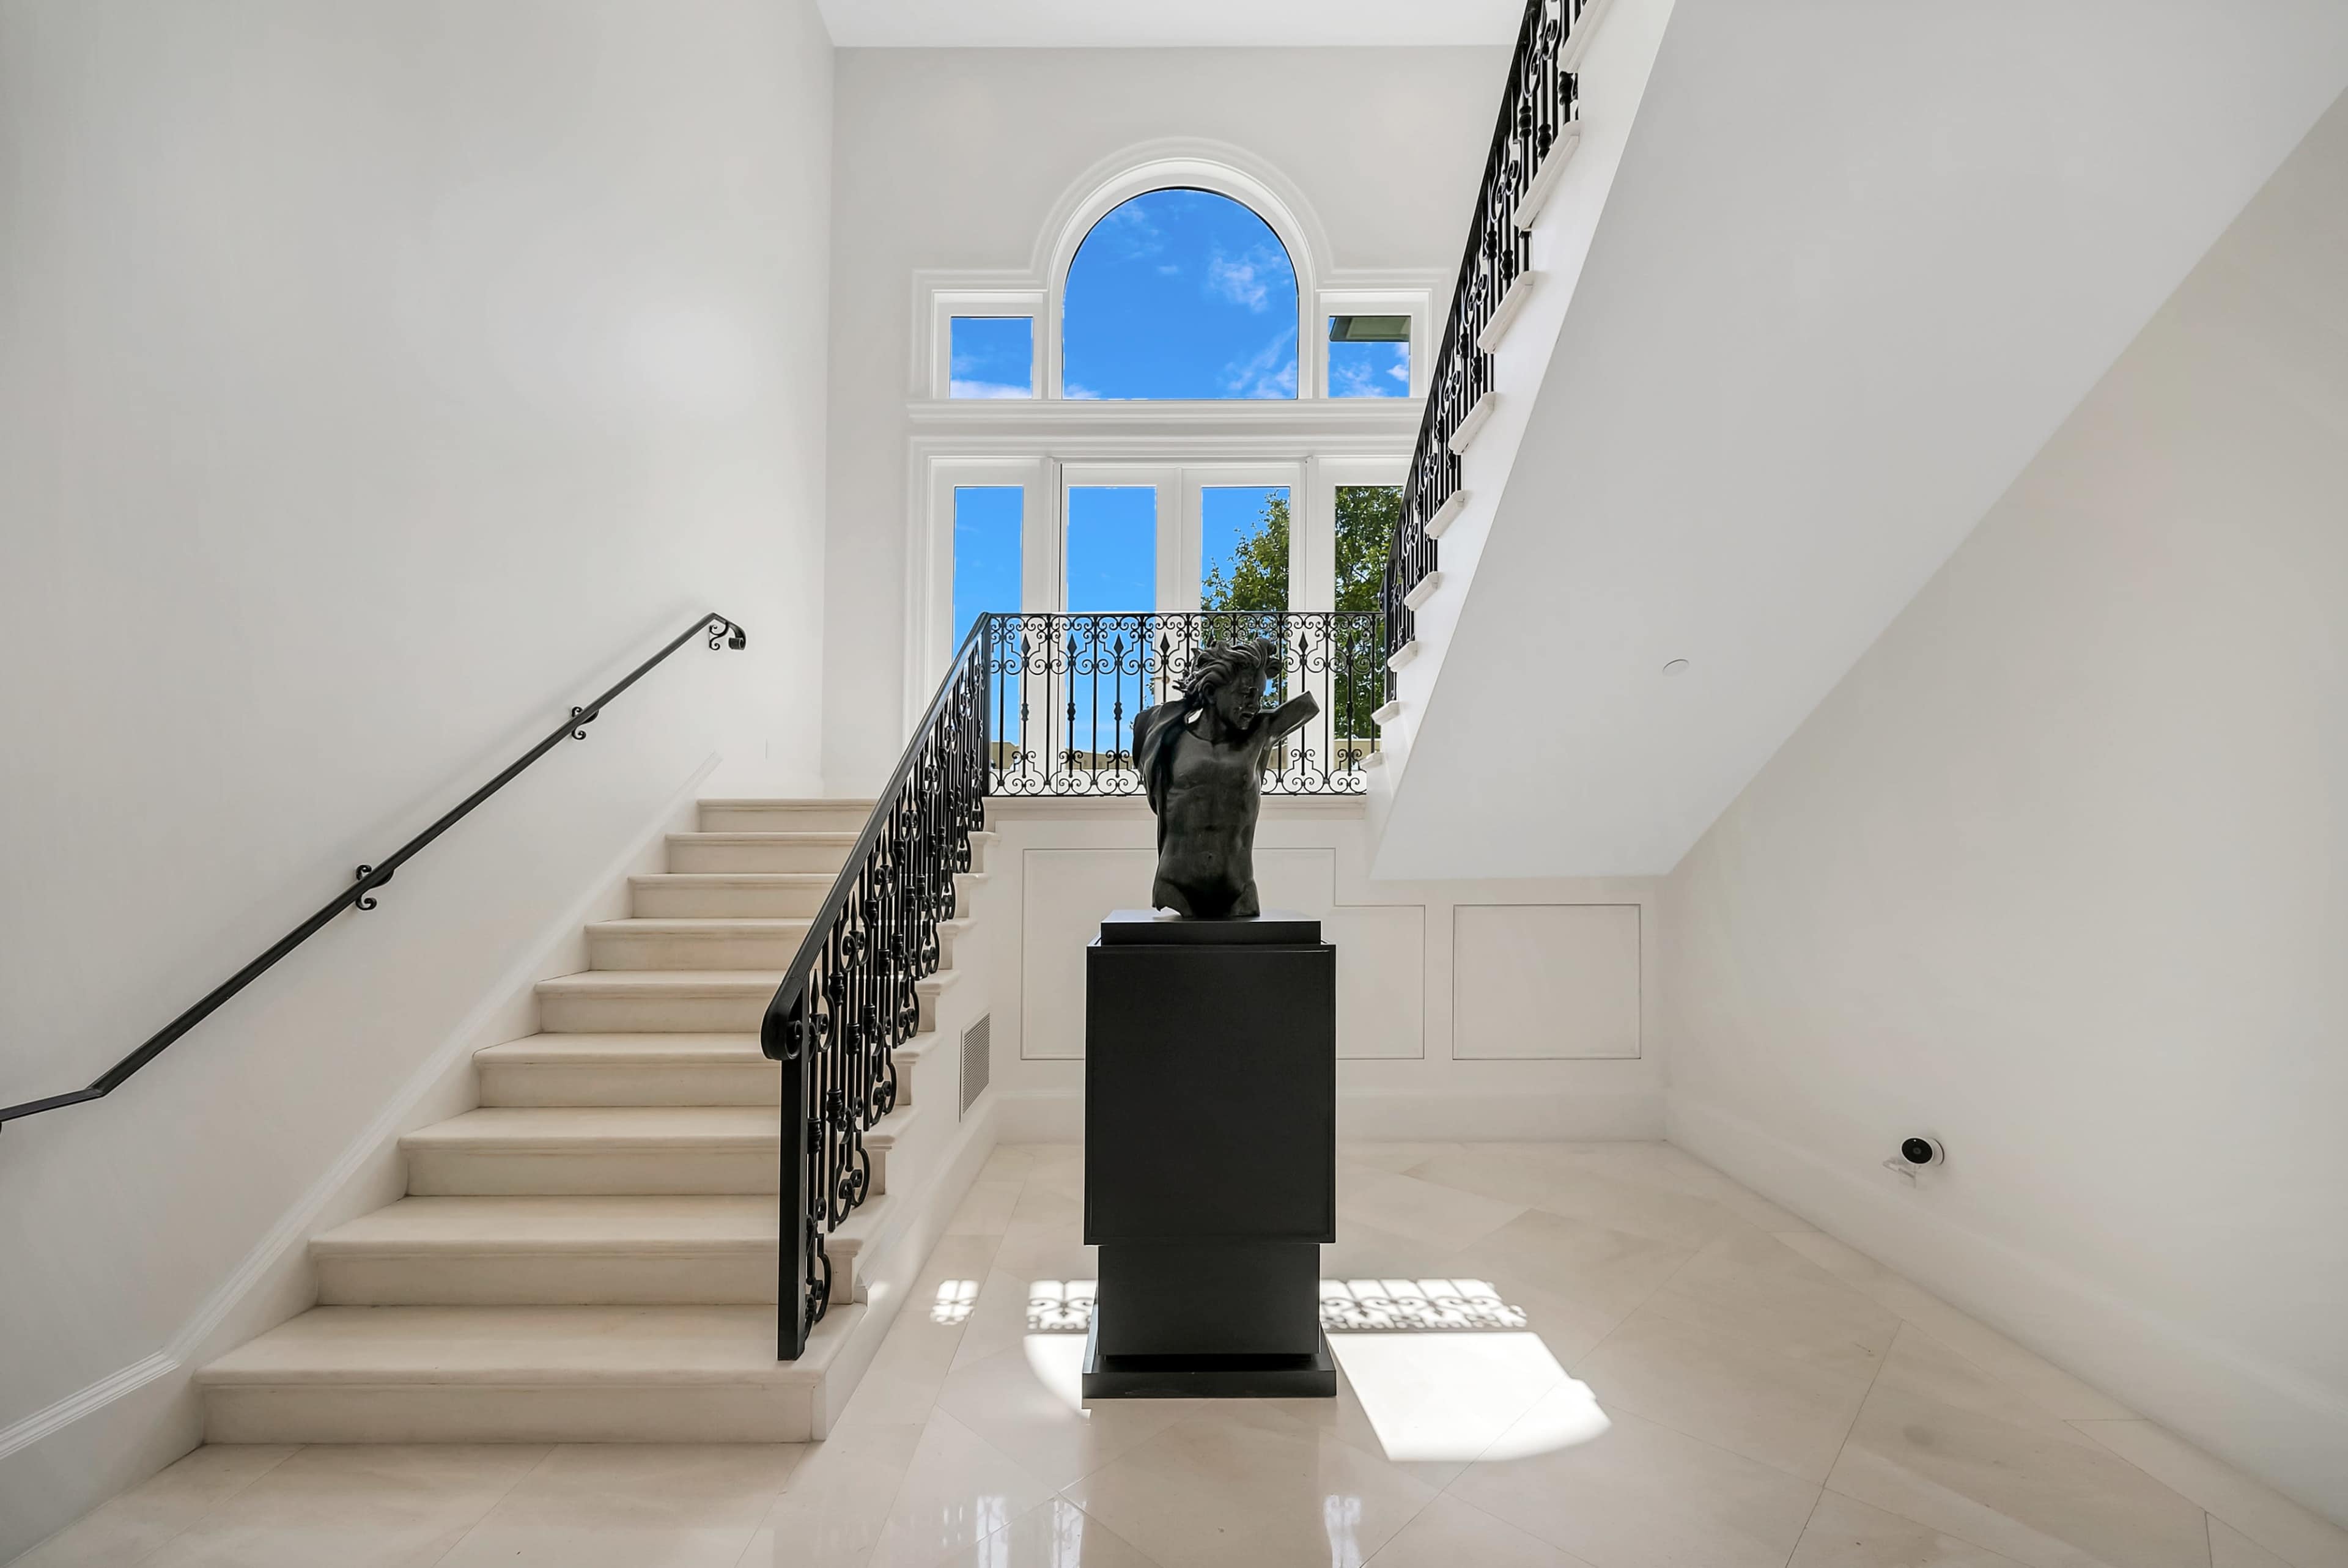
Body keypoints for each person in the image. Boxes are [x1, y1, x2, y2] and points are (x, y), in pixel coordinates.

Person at [1131, 637, 1320, 918]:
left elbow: (1310, 706)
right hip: (1174, 885)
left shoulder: (1259, 735)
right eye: (1246, 694)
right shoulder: (1169, 737)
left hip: (1239, 891)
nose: (1254, 705)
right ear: (1210, 693)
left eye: (1259, 696)